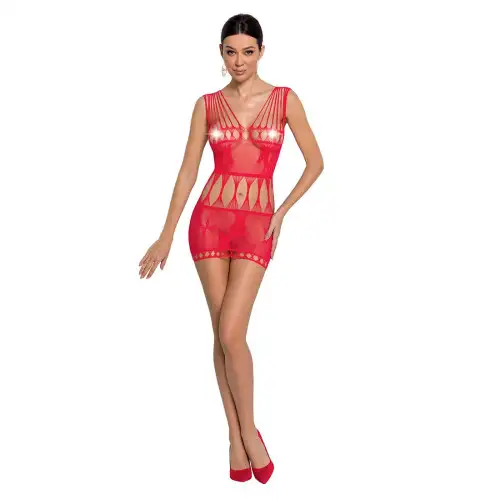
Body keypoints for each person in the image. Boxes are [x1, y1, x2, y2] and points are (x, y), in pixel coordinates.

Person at [138, 13, 324, 483]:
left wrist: (282, 212)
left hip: (258, 225)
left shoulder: (285, 99)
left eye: (247, 51)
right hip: (208, 224)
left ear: (261, 51)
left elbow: (316, 162)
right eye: (230, 51)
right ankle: (237, 439)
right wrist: (165, 234)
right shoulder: (206, 105)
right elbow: (188, 171)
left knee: (230, 332)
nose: (238, 61)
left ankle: (248, 433)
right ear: (220, 53)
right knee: (220, 332)